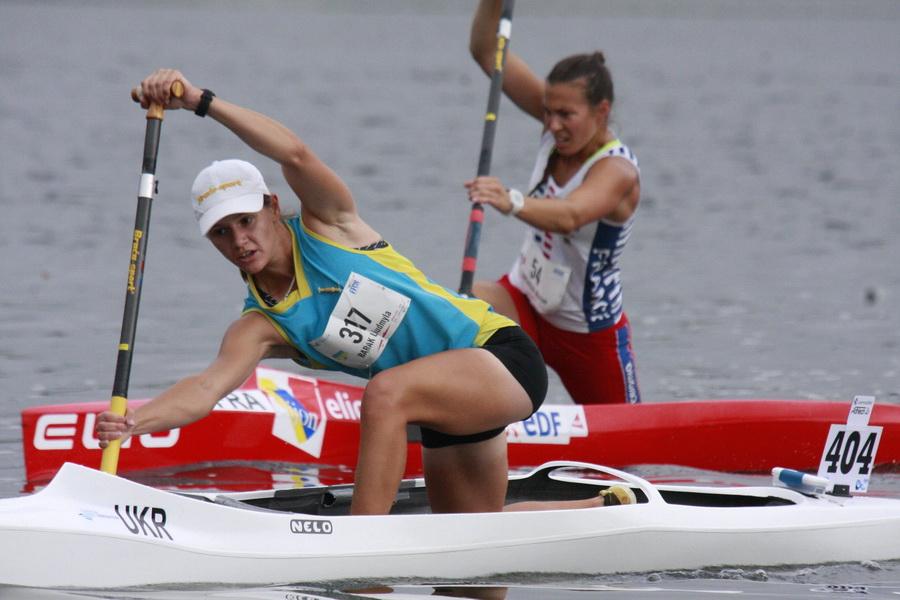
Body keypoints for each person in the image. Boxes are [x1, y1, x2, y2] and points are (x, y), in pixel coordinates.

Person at [95, 68, 549, 516]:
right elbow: (206, 388)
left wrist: (201, 102)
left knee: (385, 394)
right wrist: (133, 423)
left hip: (498, 357)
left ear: (273, 207)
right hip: (439, 406)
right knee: (469, 553)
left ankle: (362, 549)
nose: (239, 242)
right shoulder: (261, 325)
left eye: (246, 221)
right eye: (221, 233)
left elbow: (294, 155)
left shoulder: (329, 224)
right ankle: (605, 506)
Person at [464, 0, 642, 405]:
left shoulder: (617, 171)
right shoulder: (558, 128)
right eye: (547, 112)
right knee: (461, 303)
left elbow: (571, 215)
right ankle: (451, 417)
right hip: (524, 300)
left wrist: (509, 200)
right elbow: (485, 50)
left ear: (602, 111)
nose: (553, 125)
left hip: (587, 331)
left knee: (621, 453)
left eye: (565, 114)